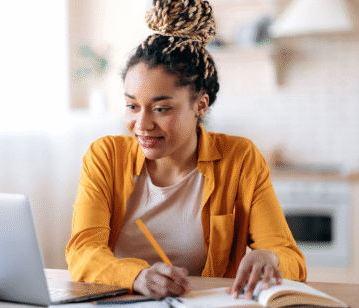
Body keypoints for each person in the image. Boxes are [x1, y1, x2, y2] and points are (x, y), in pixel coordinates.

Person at [66, 0, 307, 300]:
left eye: (161, 108)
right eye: (132, 106)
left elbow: (292, 258)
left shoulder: (239, 159)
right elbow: (83, 251)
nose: (142, 124)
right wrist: (137, 276)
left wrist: (271, 259)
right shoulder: (105, 157)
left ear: (200, 105)